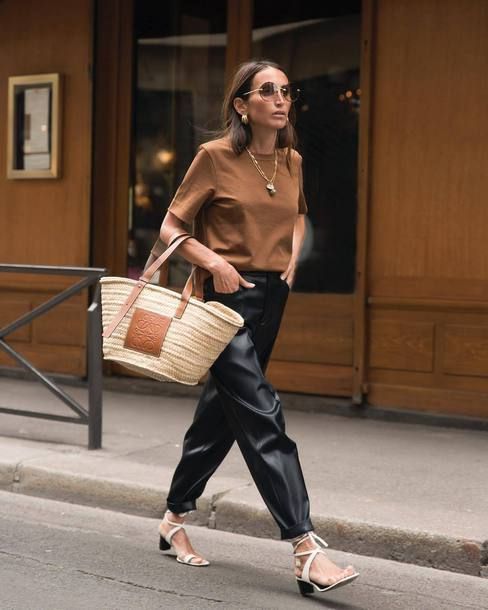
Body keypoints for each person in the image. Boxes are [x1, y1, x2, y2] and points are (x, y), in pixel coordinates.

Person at [147, 59, 359, 596]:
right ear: (243, 105)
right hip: (224, 301)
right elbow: (172, 226)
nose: (281, 99)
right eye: (268, 91)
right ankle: (305, 548)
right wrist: (215, 263)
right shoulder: (213, 158)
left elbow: (297, 213)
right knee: (264, 413)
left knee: (223, 412)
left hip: (271, 299)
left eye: (287, 90)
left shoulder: (292, 161)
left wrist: (291, 258)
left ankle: (173, 519)